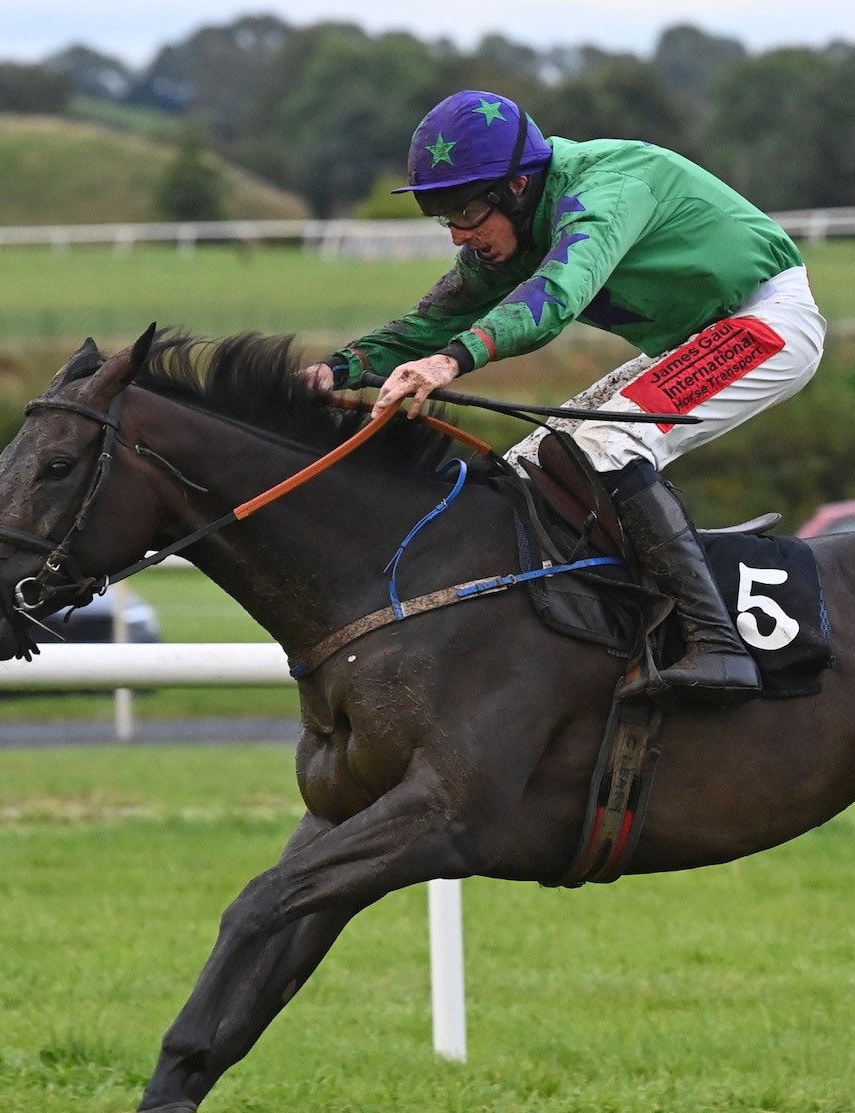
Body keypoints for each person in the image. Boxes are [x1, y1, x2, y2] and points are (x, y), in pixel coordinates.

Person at [303, 90, 826, 700]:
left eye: (467, 212)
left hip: (766, 322)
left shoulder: (608, 189)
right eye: (446, 217)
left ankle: (717, 645)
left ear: (518, 187)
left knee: (606, 442)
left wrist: (449, 363)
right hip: (693, 340)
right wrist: (329, 374)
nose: (458, 236)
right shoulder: (509, 229)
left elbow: (553, 297)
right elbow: (430, 323)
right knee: (527, 467)